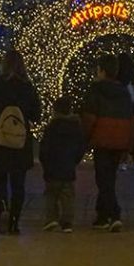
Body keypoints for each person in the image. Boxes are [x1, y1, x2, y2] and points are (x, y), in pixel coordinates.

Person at [0, 50, 41, 235]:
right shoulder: (27, 86)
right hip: (20, 141)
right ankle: (14, 221)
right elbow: (36, 114)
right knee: (18, 183)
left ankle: (3, 208)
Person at [81, 53, 134, 232]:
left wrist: (85, 138)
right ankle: (102, 215)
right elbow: (129, 117)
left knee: (103, 179)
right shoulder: (124, 92)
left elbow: (90, 117)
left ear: (102, 71)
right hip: (120, 139)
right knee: (109, 177)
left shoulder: (96, 90)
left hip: (102, 138)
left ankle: (114, 214)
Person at [39, 95, 85, 233]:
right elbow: (81, 147)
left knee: (51, 194)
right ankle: (67, 222)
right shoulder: (76, 127)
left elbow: (44, 149)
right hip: (68, 166)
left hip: (52, 166)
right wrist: (74, 160)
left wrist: (45, 163)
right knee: (67, 195)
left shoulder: (51, 127)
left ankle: (51, 218)